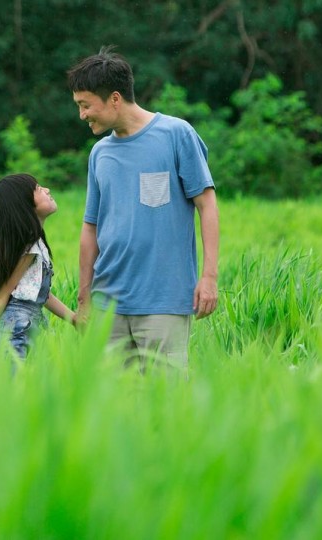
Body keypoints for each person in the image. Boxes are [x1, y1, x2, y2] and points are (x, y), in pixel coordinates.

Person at [67, 46, 219, 370]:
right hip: (108, 304)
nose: (82, 115)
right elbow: (90, 228)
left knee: (166, 396)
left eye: (85, 105)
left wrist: (209, 277)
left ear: (115, 99)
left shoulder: (176, 135)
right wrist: (84, 298)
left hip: (163, 301)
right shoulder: (99, 154)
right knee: (112, 398)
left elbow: (207, 204)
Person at [0, 173, 76, 358]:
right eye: (38, 189)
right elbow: (1, 295)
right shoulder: (29, 248)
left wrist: (73, 319)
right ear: (24, 205)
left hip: (25, 326)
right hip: (17, 330)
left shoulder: (35, 244)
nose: (47, 190)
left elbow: (39, 293)